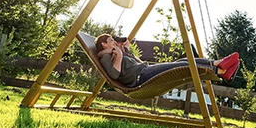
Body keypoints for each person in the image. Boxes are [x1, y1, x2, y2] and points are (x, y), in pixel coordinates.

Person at [95, 33, 240, 88]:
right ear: (103, 44)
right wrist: (119, 55)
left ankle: (217, 64)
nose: (114, 42)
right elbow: (114, 75)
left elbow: (138, 63)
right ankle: (219, 69)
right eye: (111, 40)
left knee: (183, 60)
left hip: (145, 70)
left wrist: (126, 52)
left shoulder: (115, 52)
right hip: (142, 77)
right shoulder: (107, 57)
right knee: (182, 66)